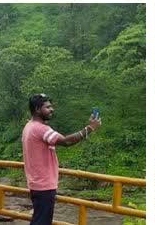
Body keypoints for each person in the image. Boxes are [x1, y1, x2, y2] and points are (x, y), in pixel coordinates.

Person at [21, 94, 101, 225]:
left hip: (37, 183)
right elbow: (66, 142)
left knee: (39, 219)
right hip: (44, 185)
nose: (52, 109)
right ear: (37, 109)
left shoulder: (29, 126)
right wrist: (89, 128)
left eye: (51, 106)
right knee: (42, 221)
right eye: (47, 107)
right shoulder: (40, 129)